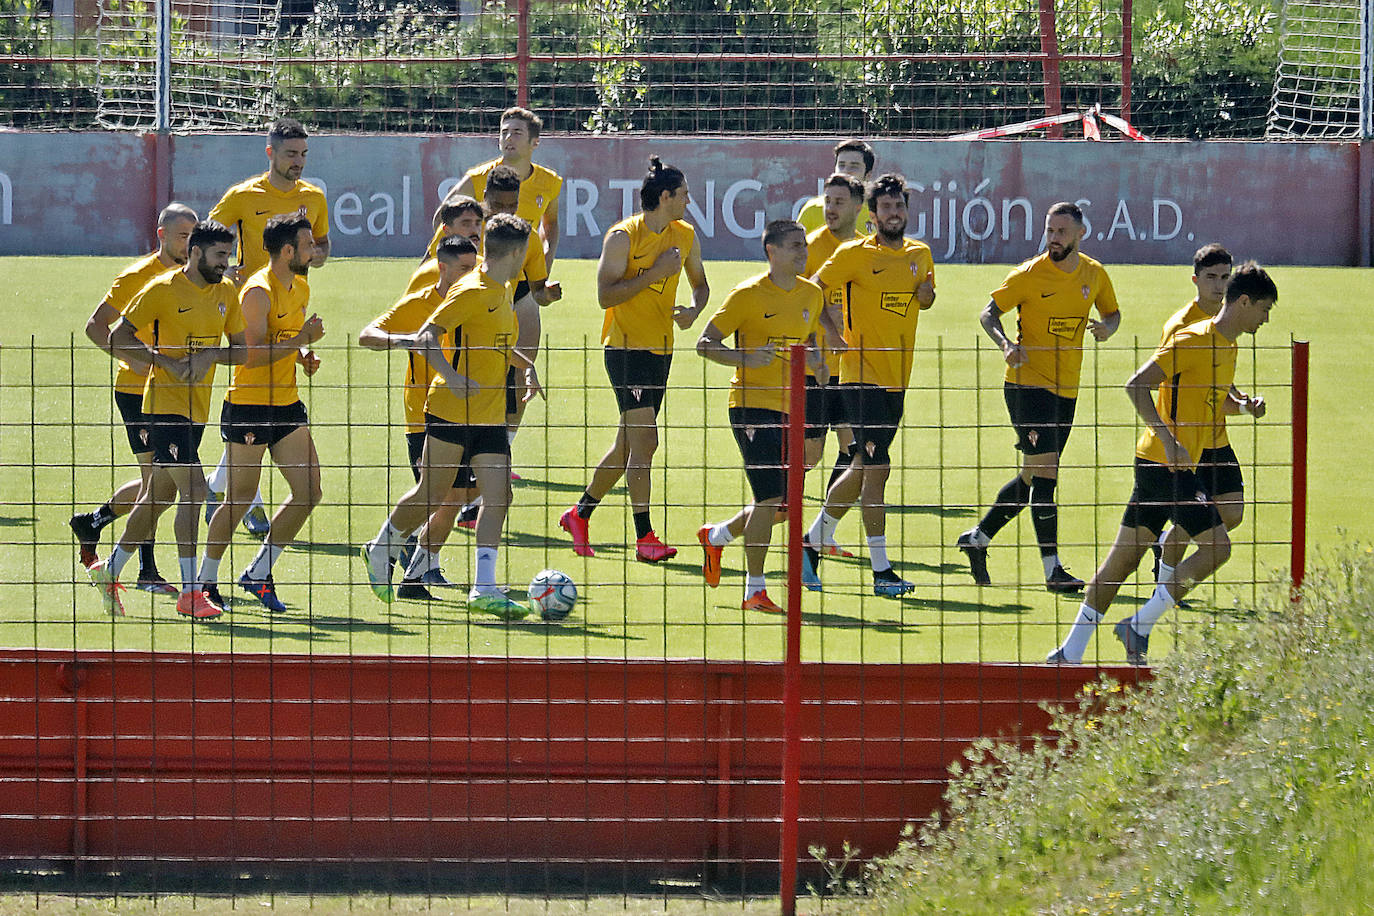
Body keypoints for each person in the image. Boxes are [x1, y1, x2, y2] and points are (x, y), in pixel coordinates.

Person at [1047, 262, 1277, 665]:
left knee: (1123, 559)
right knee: (1218, 548)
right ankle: (1140, 624)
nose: (1266, 318)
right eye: (1264, 309)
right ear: (1244, 302)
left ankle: (1070, 651)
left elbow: (1212, 401)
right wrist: (1169, 441)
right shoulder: (1192, 339)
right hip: (1164, 465)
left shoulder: (1230, 346)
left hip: (1169, 465)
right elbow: (1136, 385)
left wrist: (1242, 408)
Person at [361, 214, 540, 620]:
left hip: (490, 415)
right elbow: (426, 336)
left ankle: (484, 587)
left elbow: (496, 345)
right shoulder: (472, 290)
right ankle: (381, 547)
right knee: (431, 496)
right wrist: (453, 376)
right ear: (516, 252)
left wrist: (525, 365)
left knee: (499, 496)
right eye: (527, 248)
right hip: (450, 413)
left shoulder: (502, 288)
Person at [956, 201, 1120, 594]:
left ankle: (977, 539)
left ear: (1082, 233)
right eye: (1050, 230)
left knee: (1033, 475)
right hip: (1027, 385)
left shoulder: (1094, 274)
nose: (1055, 238)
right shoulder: (1029, 275)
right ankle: (1053, 569)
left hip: (1067, 389)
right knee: (1046, 476)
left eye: (1062, 231)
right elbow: (988, 314)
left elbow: (1112, 314)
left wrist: (1108, 328)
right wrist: (1005, 345)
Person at [87, 220, 246, 620]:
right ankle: (191, 593)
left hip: (197, 410)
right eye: (219, 255)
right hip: (160, 405)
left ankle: (109, 569)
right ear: (195, 253)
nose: (225, 264)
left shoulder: (227, 292)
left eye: (228, 255)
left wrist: (212, 356)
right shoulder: (161, 290)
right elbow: (117, 336)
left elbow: (242, 352)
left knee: (157, 495)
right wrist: (159, 361)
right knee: (194, 490)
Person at [559, 156, 710, 562]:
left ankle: (579, 513)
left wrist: (694, 311)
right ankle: (645, 538)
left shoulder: (685, 234)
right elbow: (605, 296)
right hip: (625, 349)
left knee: (628, 445)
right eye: (683, 195)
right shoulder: (623, 237)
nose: (688, 201)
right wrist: (656, 272)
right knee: (646, 442)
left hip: (661, 351)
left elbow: (701, 285)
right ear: (665, 197)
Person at [801, 174, 935, 597]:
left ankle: (812, 542)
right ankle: (881, 572)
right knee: (877, 469)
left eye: (900, 207)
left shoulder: (921, 253)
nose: (894, 214)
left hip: (897, 380)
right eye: (887, 208)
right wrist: (831, 331)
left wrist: (927, 292)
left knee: (861, 467)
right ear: (872, 215)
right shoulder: (852, 254)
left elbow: (926, 299)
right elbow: (812, 291)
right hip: (860, 376)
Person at [206, 116, 331, 537]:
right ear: (271, 153)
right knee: (252, 382)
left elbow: (325, 243)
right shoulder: (243, 196)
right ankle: (233, 495)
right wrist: (230, 274)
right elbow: (205, 241)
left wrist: (314, 256)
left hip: (291, 306)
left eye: (303, 155)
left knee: (271, 393)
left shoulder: (312, 198)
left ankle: (222, 488)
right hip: (252, 306)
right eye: (291, 154)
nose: (298, 162)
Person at [196, 214, 326, 613]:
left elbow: (283, 339)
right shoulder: (256, 293)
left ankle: (257, 573)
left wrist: (302, 354)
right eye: (307, 246)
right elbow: (249, 357)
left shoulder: (299, 286)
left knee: (309, 492)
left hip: (287, 405)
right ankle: (204, 582)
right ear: (288, 251)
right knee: (237, 499)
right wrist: (301, 339)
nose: (314, 251)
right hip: (249, 406)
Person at [695, 220, 825, 612]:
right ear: (772, 251)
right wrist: (744, 358)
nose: (803, 253)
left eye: (804, 246)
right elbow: (705, 344)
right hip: (751, 406)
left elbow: (812, 343)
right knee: (768, 497)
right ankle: (755, 590)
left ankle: (717, 536)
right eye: (794, 247)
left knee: (783, 506)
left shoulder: (811, 295)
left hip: (794, 407)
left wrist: (818, 363)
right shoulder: (747, 295)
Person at [69, 202, 198, 593]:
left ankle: (95, 521)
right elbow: (96, 326)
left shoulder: (194, 275)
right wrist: (132, 361)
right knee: (159, 486)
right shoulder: (136, 276)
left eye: (194, 236)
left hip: (177, 394)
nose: (190, 243)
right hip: (136, 393)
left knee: (158, 485)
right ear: (161, 235)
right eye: (182, 236)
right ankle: (146, 570)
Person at [359, 235, 481, 600]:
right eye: (463, 269)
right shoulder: (420, 303)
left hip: (464, 410)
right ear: (442, 267)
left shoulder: (474, 298)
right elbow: (368, 335)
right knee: (437, 495)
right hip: (423, 415)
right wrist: (409, 341)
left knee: (458, 494)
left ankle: (416, 571)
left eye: (474, 268)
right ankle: (392, 552)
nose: (470, 275)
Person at [1153, 245, 1261, 592]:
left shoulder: (1231, 321)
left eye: (1225, 277)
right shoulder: (1181, 326)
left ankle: (1168, 547)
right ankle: (1166, 587)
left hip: (1217, 437)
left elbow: (1217, 381)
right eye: (1211, 278)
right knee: (1200, 524)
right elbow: (1176, 388)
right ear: (1195, 280)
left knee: (1232, 514)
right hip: (1186, 440)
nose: (1218, 285)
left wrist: (1239, 399)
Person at [801, 172, 867, 557]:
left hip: (853, 370)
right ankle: (772, 503)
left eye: (839, 202)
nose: (830, 209)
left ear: (858, 206)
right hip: (815, 367)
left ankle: (822, 531)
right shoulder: (810, 248)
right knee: (810, 456)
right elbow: (798, 303)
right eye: (828, 201)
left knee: (856, 449)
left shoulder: (866, 249)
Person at [431, 107, 562, 271]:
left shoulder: (550, 182)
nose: (508, 138)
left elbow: (551, 225)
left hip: (519, 275)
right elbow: (440, 219)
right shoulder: (477, 178)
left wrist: (545, 264)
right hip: (477, 274)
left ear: (534, 142)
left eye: (517, 133)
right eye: (504, 132)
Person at [796, 139, 875, 236]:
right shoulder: (813, 209)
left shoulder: (876, 212)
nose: (845, 171)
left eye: (854, 166)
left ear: (868, 175)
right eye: (841, 165)